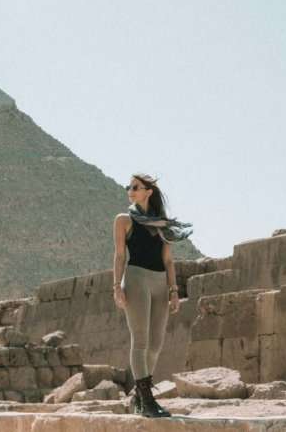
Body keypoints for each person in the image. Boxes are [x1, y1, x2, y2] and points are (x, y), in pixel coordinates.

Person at [112, 173, 194, 418]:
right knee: (141, 340)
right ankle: (147, 400)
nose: (130, 190)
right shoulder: (123, 220)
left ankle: (139, 396)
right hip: (136, 278)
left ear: (148, 191)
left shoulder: (162, 224)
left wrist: (174, 291)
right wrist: (116, 286)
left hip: (160, 282)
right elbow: (119, 255)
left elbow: (168, 261)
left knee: (156, 343)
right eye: (129, 187)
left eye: (135, 187)